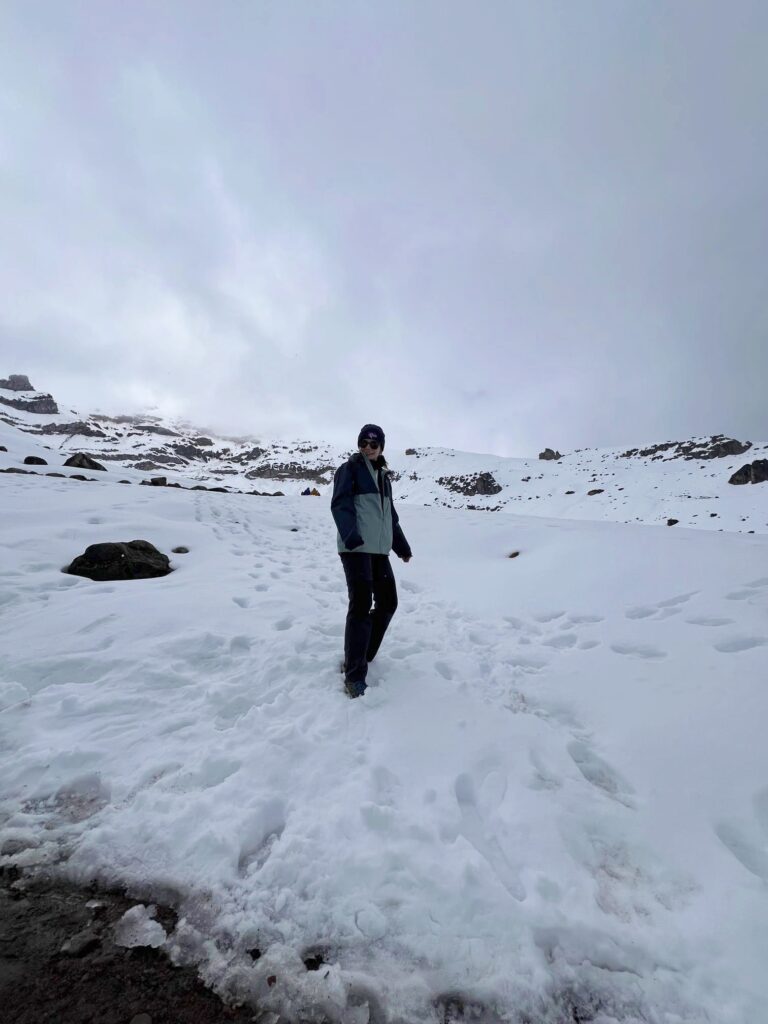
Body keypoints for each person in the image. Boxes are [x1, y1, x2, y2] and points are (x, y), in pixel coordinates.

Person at [331, 424, 412, 698]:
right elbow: (340, 504)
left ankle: (363, 653)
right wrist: (351, 535)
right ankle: (354, 674)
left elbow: (390, 516)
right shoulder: (349, 469)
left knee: (389, 602)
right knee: (362, 605)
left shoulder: (383, 477)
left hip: (378, 550)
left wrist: (401, 546)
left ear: (381, 448)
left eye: (373, 444)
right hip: (356, 549)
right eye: (363, 442)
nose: (368, 447)